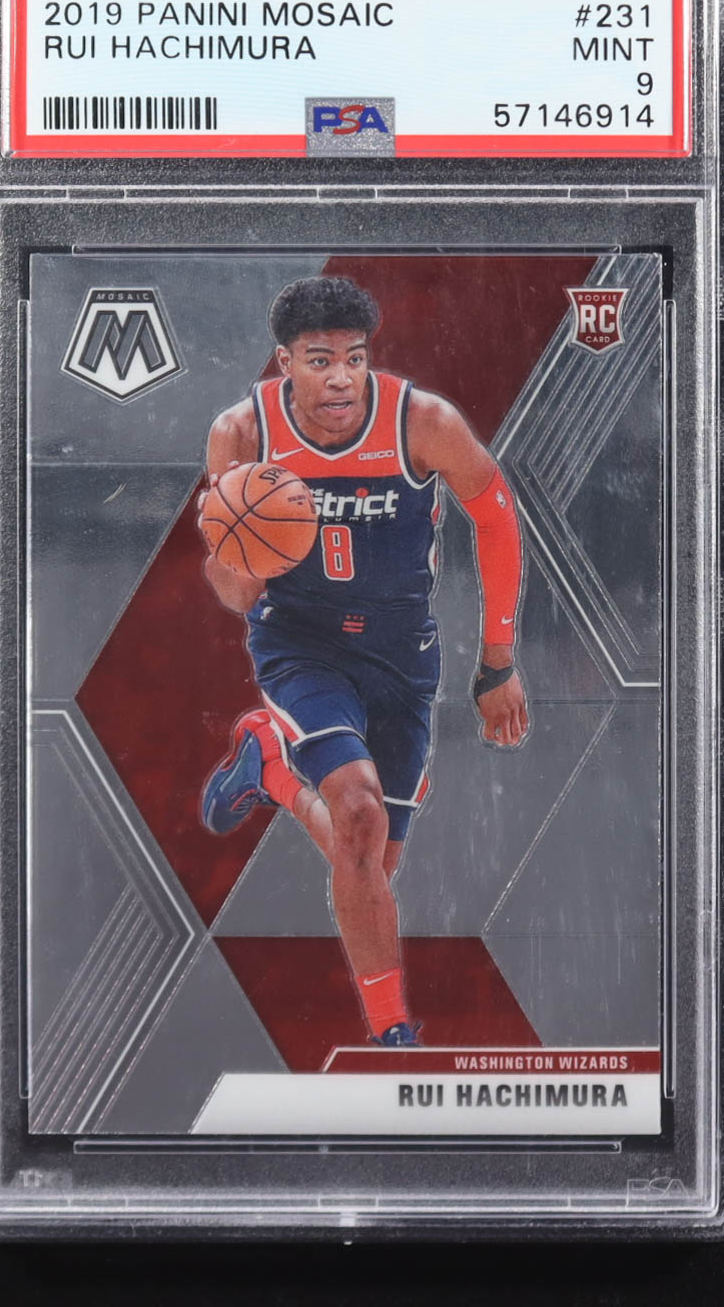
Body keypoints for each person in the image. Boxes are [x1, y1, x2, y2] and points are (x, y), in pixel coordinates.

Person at [198, 275, 527, 1046]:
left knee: (370, 857)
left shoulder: (423, 422)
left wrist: (497, 663)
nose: (342, 377)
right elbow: (233, 592)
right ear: (285, 363)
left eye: (355, 357)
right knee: (357, 813)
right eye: (320, 360)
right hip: (301, 645)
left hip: (401, 655)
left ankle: (271, 766)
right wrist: (245, 549)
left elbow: (496, 519)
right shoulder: (242, 434)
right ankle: (390, 1032)